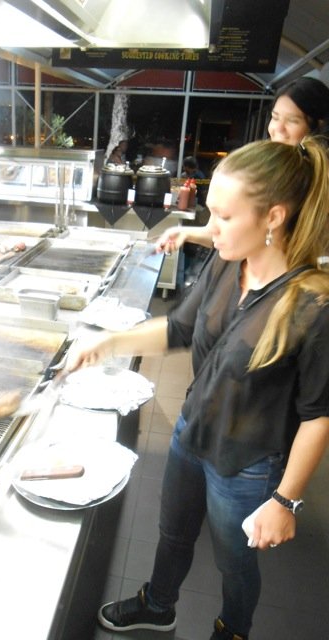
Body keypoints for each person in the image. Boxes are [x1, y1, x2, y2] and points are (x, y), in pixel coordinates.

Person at [67, 137, 329, 639]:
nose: (212, 228)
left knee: (234, 562)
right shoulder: (229, 262)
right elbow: (179, 329)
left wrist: (285, 501)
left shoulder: (312, 306)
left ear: (273, 217)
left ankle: (232, 629)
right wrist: (109, 342)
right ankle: (158, 604)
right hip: (191, 433)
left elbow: (318, 416)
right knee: (173, 533)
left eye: (225, 217)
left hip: (247, 463)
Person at [158, 76, 329, 255]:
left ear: (319, 126)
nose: (278, 129)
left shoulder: (320, 185)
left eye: (292, 121)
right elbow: (217, 232)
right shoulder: (260, 168)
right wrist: (184, 233)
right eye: (275, 117)